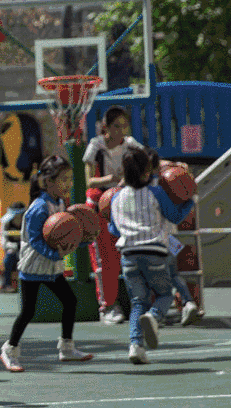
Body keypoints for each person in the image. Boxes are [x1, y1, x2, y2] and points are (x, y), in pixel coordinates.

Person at [0, 155, 94, 373]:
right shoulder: (39, 207)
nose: (68, 184)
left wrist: (83, 239)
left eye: (70, 179)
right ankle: (9, 350)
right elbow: (34, 240)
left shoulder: (60, 203)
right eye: (63, 179)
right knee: (28, 312)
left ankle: (66, 348)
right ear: (48, 181)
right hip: (33, 267)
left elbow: (65, 234)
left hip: (51, 267)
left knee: (70, 301)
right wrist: (54, 254)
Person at [107, 148, 194, 364]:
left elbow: (114, 230)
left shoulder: (116, 198)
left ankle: (136, 346)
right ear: (147, 172)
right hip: (154, 251)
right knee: (164, 294)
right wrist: (189, 201)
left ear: (124, 172)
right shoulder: (156, 192)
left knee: (138, 302)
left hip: (128, 255)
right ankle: (154, 317)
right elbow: (174, 217)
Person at [83, 106, 141, 324]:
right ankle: (107, 306)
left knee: (135, 253)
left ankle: (146, 302)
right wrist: (111, 179)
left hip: (124, 204)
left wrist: (171, 164)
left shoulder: (130, 144)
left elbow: (150, 161)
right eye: (117, 126)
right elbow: (89, 181)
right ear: (105, 127)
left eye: (124, 126)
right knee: (105, 257)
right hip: (100, 207)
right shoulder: (95, 146)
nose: (121, 131)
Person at [144, 147, 200, 327]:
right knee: (174, 273)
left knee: (149, 278)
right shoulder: (163, 184)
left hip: (147, 240)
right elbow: (175, 216)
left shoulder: (139, 189)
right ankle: (188, 302)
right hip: (168, 237)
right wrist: (190, 201)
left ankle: (155, 314)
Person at [0, 202, 26, 293]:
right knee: (8, 258)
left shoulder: (28, 222)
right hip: (12, 250)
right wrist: (12, 247)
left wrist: (20, 246)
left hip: (26, 250)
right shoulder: (6, 223)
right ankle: (7, 284)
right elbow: (3, 241)